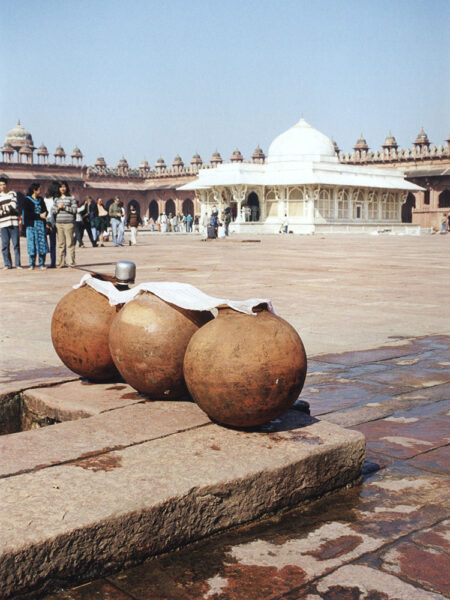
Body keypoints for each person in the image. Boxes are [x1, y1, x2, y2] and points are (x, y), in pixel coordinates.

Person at [23, 183, 49, 270]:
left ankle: (42, 264)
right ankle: (32, 264)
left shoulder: (41, 200)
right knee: (32, 244)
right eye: (39, 189)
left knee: (42, 244)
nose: (40, 191)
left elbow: (45, 210)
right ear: (34, 190)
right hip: (31, 226)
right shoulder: (27, 200)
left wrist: (45, 213)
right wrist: (39, 216)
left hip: (41, 225)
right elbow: (27, 214)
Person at [52, 181, 77, 268]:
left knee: (70, 243)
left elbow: (74, 210)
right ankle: (61, 262)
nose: (62, 189)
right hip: (59, 223)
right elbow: (53, 211)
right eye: (61, 187)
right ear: (58, 189)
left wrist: (65, 207)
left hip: (69, 223)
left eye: (64, 187)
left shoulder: (71, 198)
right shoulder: (56, 199)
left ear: (67, 188)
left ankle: (71, 262)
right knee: (61, 244)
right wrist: (58, 208)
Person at [0, 176, 22, 270]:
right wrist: (7, 208)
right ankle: (7, 264)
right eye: (0, 185)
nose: (2, 186)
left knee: (16, 244)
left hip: (13, 222)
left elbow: (13, 205)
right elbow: (9, 207)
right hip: (3, 223)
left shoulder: (12, 193)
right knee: (5, 245)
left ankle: (17, 264)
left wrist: (3, 209)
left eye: (3, 184)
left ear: (6, 184)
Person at [43, 181, 59, 268]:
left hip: (57, 222)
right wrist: (47, 223)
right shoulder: (47, 199)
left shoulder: (58, 198)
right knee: (46, 243)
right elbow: (46, 211)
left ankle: (53, 262)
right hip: (49, 222)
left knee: (54, 244)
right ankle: (44, 262)